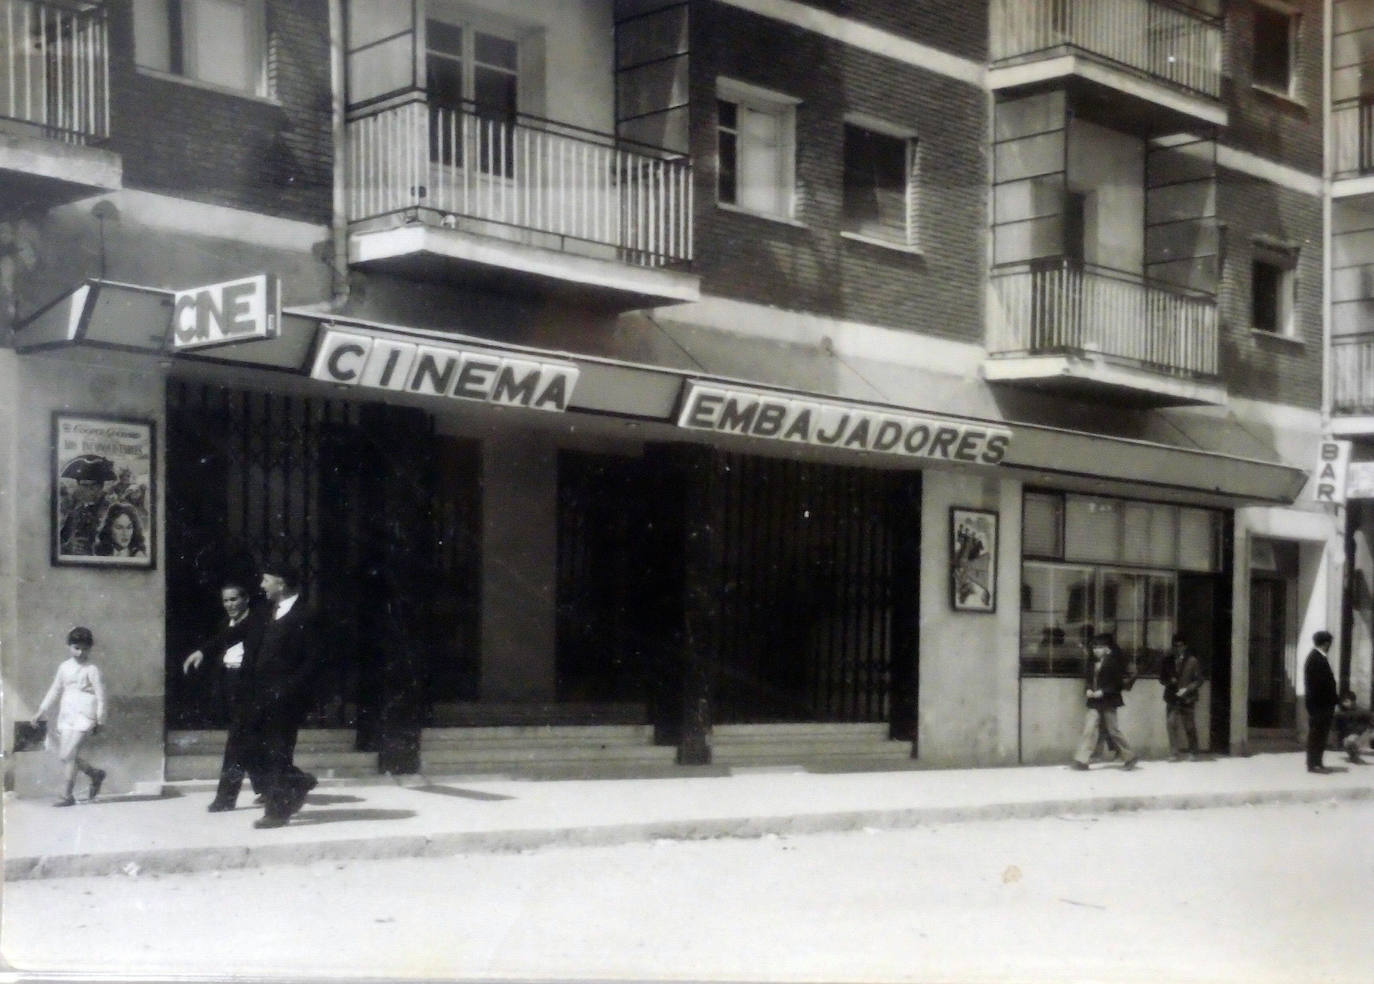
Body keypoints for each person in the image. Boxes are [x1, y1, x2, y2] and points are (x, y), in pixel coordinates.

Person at [241, 562, 320, 828]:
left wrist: (287, 690)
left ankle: (276, 811)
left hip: (286, 700)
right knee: (251, 749)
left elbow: (312, 662)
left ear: (281, 584)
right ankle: (297, 781)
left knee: (277, 753)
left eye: (266, 580)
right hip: (259, 695)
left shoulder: (306, 615)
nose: (261, 586)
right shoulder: (267, 611)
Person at [182, 580, 267, 811]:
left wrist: (202, 650)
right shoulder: (224, 624)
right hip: (228, 683)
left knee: (237, 741)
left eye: (234, 599)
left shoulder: (256, 620)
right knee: (245, 738)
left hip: (249, 684)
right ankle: (268, 788)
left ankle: (225, 798)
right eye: (225, 600)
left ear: (246, 599)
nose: (229, 604)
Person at [31, 626, 107, 806]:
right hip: (67, 714)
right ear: (69, 647)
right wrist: (40, 711)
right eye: (76, 648)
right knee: (65, 756)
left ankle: (66, 795)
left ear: (90, 648)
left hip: (86, 714)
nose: (80, 652)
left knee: (68, 753)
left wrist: (100, 720)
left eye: (85, 648)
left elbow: (101, 696)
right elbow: (55, 690)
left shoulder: (92, 669)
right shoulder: (64, 667)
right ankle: (95, 774)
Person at [1071, 633, 1137, 771]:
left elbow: (1117, 684)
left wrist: (1104, 691)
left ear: (1107, 649)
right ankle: (1082, 760)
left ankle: (1130, 757)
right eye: (1094, 648)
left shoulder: (1114, 662)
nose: (1096, 650)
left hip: (1109, 700)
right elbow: (1088, 680)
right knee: (1089, 729)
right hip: (1094, 701)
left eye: (1099, 647)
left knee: (1113, 730)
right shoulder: (1092, 662)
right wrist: (1088, 689)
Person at [1160, 633, 1203, 761]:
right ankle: (1174, 753)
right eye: (1175, 646)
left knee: (1189, 726)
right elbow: (1161, 678)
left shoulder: (1192, 661)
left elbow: (1199, 680)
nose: (1177, 649)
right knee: (1171, 723)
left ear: (1185, 646)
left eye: (1180, 646)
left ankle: (1193, 752)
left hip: (1187, 698)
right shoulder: (1167, 660)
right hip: (1172, 697)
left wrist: (1187, 689)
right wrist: (1169, 681)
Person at [1303, 630, 1339, 774]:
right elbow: (1319, 685)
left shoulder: (1317, 657)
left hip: (1321, 704)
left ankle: (1317, 762)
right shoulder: (1316, 659)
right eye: (1329, 643)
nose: (1330, 646)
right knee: (1317, 734)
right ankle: (1313, 764)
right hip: (1320, 705)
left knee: (1320, 734)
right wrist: (1331, 700)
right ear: (1326, 643)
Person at [1335, 689, 1373, 765]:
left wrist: (1369, 733)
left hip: (1363, 735)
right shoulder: (1341, 713)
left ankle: (1356, 755)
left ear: (1353, 701)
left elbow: (1371, 721)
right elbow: (1337, 727)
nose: (1343, 703)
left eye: (1346, 701)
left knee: (1351, 740)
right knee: (1347, 741)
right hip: (1352, 736)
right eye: (1342, 702)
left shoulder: (1362, 711)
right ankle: (1354, 756)